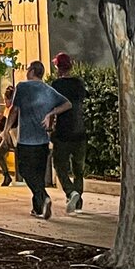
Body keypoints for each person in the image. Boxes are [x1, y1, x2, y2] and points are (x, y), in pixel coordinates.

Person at [5, 61, 71, 219]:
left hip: (26, 140)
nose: (27, 71)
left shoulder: (22, 87)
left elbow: (14, 110)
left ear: (33, 71)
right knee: (38, 175)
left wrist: (6, 129)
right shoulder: (48, 90)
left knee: (26, 171)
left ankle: (44, 197)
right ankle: (38, 208)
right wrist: (52, 113)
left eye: (28, 69)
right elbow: (67, 104)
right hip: (42, 141)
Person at [50, 52, 87, 213]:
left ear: (58, 67)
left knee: (59, 165)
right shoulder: (79, 83)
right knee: (79, 169)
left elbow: (52, 109)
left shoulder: (56, 85)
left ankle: (70, 192)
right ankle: (78, 200)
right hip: (79, 130)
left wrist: (49, 127)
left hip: (63, 132)